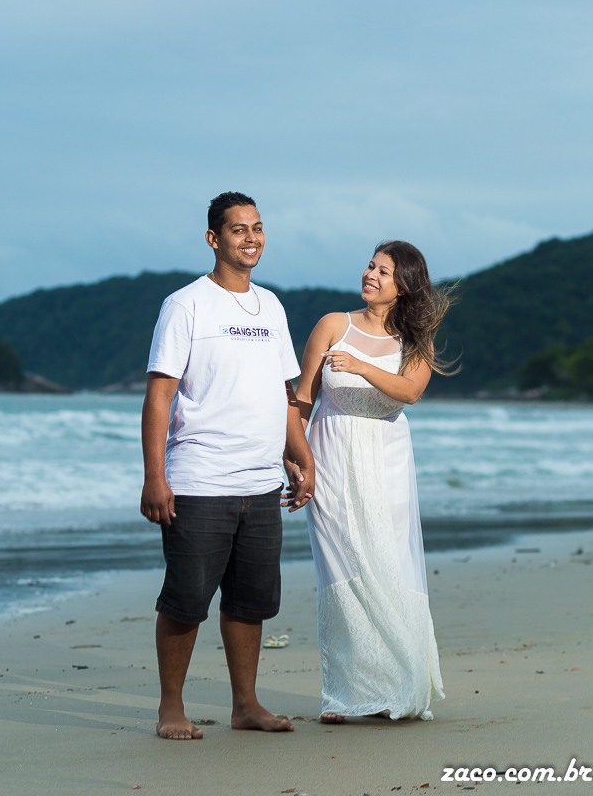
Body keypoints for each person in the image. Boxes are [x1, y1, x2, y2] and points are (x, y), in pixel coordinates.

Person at [140, 190, 315, 740]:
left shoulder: (272, 306)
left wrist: (299, 455)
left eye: (257, 228)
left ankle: (246, 705)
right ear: (214, 239)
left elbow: (283, 393)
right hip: (200, 479)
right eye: (239, 229)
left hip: (261, 482)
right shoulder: (186, 304)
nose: (251, 238)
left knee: (249, 601)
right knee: (186, 599)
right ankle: (171, 708)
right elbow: (160, 396)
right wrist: (155, 477)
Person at [292, 240, 455, 723]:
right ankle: (345, 694)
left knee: (388, 566)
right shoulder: (332, 325)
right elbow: (303, 400)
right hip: (330, 458)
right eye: (370, 266)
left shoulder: (416, 341)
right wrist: (295, 458)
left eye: (384, 271)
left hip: (387, 462)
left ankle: (399, 683)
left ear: (404, 285)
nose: (371, 275)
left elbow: (410, 391)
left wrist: (360, 365)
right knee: (341, 570)